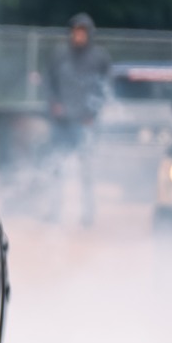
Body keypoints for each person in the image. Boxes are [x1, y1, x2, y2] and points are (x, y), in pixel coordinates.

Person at [42, 12, 109, 227]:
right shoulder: (59, 55)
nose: (79, 36)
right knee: (55, 168)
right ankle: (54, 211)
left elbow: (104, 89)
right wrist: (54, 103)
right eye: (75, 31)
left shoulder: (99, 58)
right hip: (61, 122)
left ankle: (88, 215)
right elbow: (48, 83)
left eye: (83, 32)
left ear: (90, 34)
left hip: (85, 123)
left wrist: (92, 114)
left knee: (86, 171)